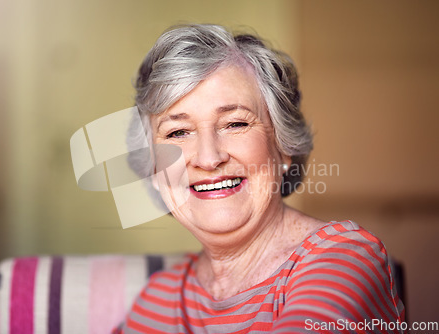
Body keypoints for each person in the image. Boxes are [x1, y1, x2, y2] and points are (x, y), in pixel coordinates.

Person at [116, 24, 405, 333]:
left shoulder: (344, 260)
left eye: (235, 123)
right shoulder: (158, 298)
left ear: (282, 147)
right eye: (178, 132)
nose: (209, 158)